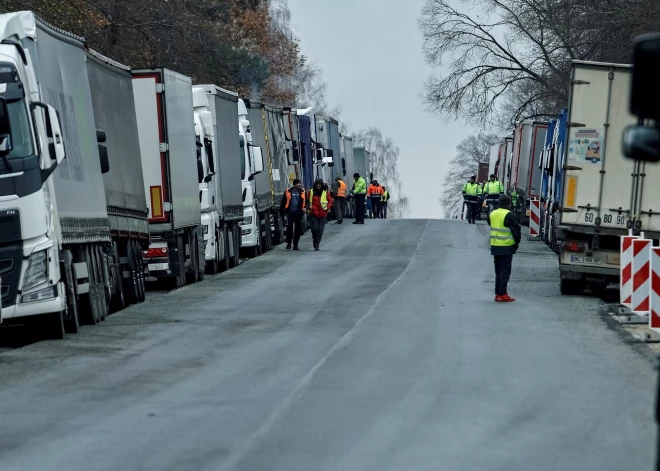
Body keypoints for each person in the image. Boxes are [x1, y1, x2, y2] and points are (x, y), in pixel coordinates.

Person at [487, 194, 521, 302]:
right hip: (506, 246)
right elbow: (516, 230)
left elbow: (490, 223)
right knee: (505, 271)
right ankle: (503, 294)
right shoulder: (509, 215)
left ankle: (498, 293)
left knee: (498, 271)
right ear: (509, 203)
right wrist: (516, 243)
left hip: (495, 246)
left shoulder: (492, 214)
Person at [308, 179, 333, 250]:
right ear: (315, 185)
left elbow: (330, 201)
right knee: (314, 229)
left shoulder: (326, 192)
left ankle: (317, 244)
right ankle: (315, 241)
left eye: (320, 184)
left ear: (322, 185)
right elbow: (307, 200)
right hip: (313, 213)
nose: (318, 185)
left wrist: (327, 208)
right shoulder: (311, 192)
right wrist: (309, 207)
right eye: (317, 184)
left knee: (320, 230)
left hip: (323, 214)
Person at [280, 178, 305, 250]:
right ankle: (289, 243)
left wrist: (305, 207)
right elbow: (283, 201)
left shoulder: (302, 191)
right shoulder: (288, 191)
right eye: (297, 183)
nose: (299, 184)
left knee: (297, 229)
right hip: (290, 212)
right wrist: (282, 212)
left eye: (300, 183)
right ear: (294, 184)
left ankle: (295, 244)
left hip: (299, 213)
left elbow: (306, 201)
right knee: (289, 228)